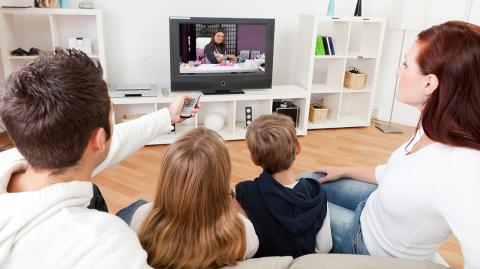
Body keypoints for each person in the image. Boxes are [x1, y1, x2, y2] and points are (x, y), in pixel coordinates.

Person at [0, 49, 199, 268]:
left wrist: (167, 116)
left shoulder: (21, 155)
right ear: (99, 139)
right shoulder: (107, 246)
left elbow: (115, 141)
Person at [306, 21, 480, 268]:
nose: (398, 71)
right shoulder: (433, 123)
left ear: (429, 83)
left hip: (368, 246)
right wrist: (344, 170)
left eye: (406, 65)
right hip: (374, 206)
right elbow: (395, 172)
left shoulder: (464, 166)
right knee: (308, 179)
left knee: (294, 201)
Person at [117, 127, 259, 269]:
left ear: (168, 177)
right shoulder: (243, 232)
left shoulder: (142, 217)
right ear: (221, 179)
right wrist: (229, 197)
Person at [235, 114, 332, 258]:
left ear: (254, 159)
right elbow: (325, 246)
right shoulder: (316, 193)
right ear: (298, 148)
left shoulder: (245, 193)